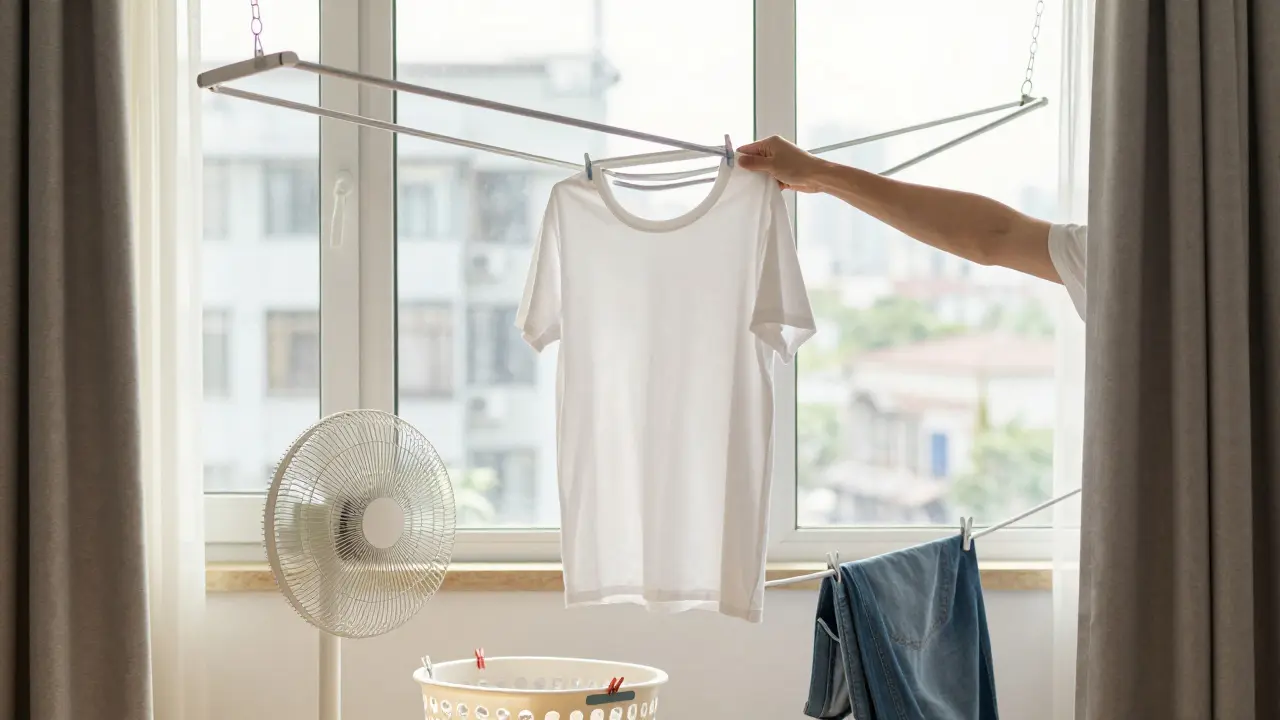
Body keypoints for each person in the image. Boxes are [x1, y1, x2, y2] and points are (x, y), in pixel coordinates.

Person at [736, 135, 1087, 320]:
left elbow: (994, 236)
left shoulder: (1127, 253)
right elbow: (994, 236)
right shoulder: (1124, 250)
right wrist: (817, 174)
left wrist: (818, 174)